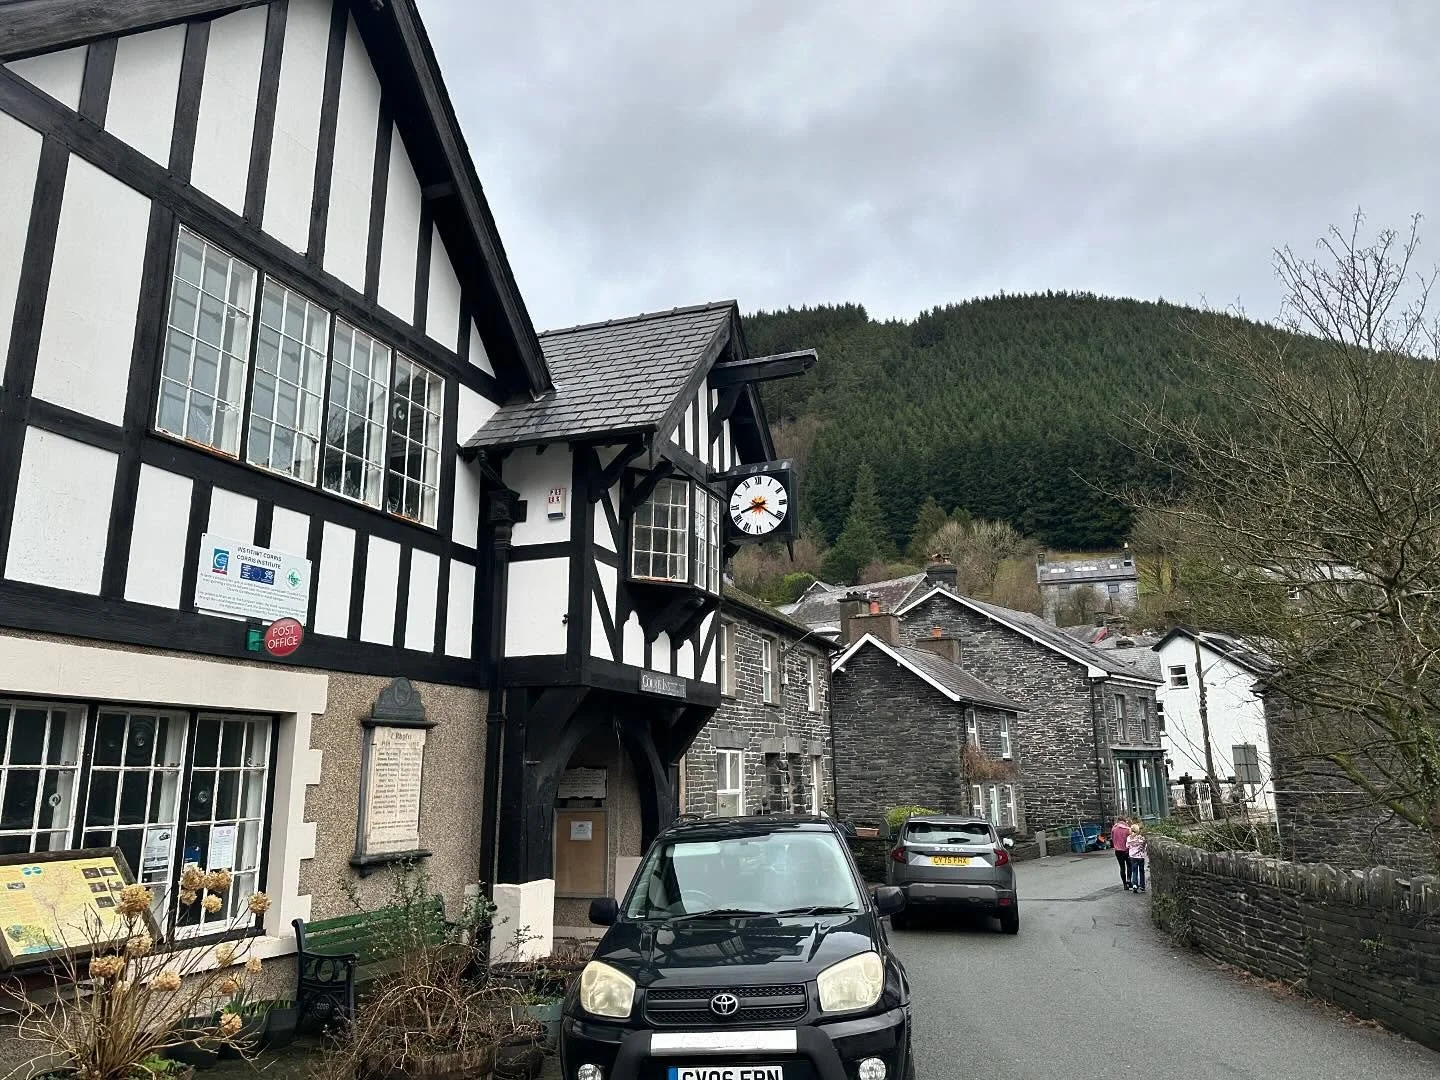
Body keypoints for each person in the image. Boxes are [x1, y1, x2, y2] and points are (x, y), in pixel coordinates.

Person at [1126, 821, 1148, 893]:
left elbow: (1127, 846)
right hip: (1141, 856)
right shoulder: (1141, 838)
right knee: (1141, 871)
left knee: (1134, 871)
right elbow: (1145, 845)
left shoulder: (1129, 838)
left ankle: (1135, 884)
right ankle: (1142, 886)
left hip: (1133, 857)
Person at [1110, 815, 1130, 889]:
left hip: (1118, 850)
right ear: (1124, 821)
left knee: (1122, 867)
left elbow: (1112, 839)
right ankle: (1129, 880)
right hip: (1126, 850)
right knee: (1129, 865)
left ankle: (1125, 884)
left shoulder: (1114, 828)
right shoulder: (1127, 829)